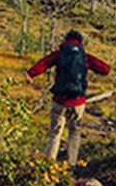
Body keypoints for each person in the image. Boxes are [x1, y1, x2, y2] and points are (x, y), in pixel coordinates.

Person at [26, 29, 110, 166]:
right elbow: (105, 69)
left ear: (65, 40)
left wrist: (31, 74)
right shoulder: (85, 57)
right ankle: (71, 165)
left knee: (54, 133)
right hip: (78, 102)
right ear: (81, 42)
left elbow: (44, 64)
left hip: (59, 100)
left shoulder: (59, 54)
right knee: (74, 132)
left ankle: (48, 164)